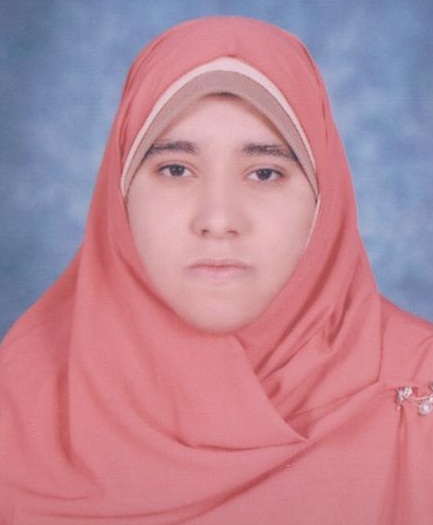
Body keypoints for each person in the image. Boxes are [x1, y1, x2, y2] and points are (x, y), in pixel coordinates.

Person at [0, 16, 432, 525]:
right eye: (175, 170)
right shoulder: (21, 397)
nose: (218, 219)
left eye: (265, 173)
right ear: (121, 195)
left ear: (324, 199)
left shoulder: (417, 394)